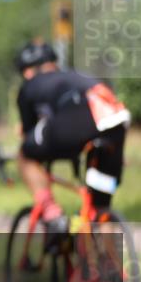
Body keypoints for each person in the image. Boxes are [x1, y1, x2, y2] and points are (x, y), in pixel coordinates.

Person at [14, 40, 130, 244]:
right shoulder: (73, 76)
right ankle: (110, 269)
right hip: (116, 119)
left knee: (25, 154)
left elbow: (29, 133)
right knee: (99, 207)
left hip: (85, 116)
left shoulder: (29, 86)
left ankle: (51, 213)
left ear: (27, 72)